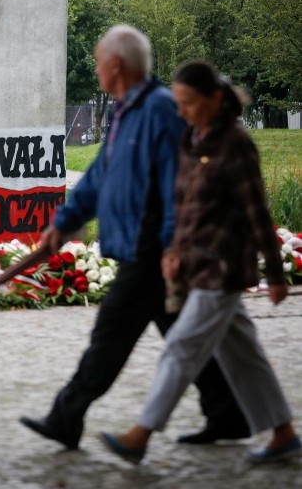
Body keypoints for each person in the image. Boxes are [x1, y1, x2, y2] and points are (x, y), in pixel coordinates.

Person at [19, 25, 249, 450]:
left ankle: (66, 417)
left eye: (98, 60)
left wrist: (170, 245)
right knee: (183, 332)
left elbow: (173, 186)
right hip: (142, 248)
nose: (95, 67)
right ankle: (228, 412)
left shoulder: (161, 110)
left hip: (151, 250)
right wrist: (64, 220)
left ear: (116, 65)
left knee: (109, 337)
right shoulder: (125, 110)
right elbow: (101, 175)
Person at [99, 60, 300, 465]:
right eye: (179, 103)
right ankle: (283, 433)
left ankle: (140, 435)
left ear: (214, 98)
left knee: (180, 347)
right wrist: (173, 251)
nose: (182, 111)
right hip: (197, 265)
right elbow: (185, 206)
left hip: (221, 269)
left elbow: (256, 211)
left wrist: (276, 275)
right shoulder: (194, 139)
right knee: (244, 354)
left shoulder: (235, 144)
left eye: (189, 102)